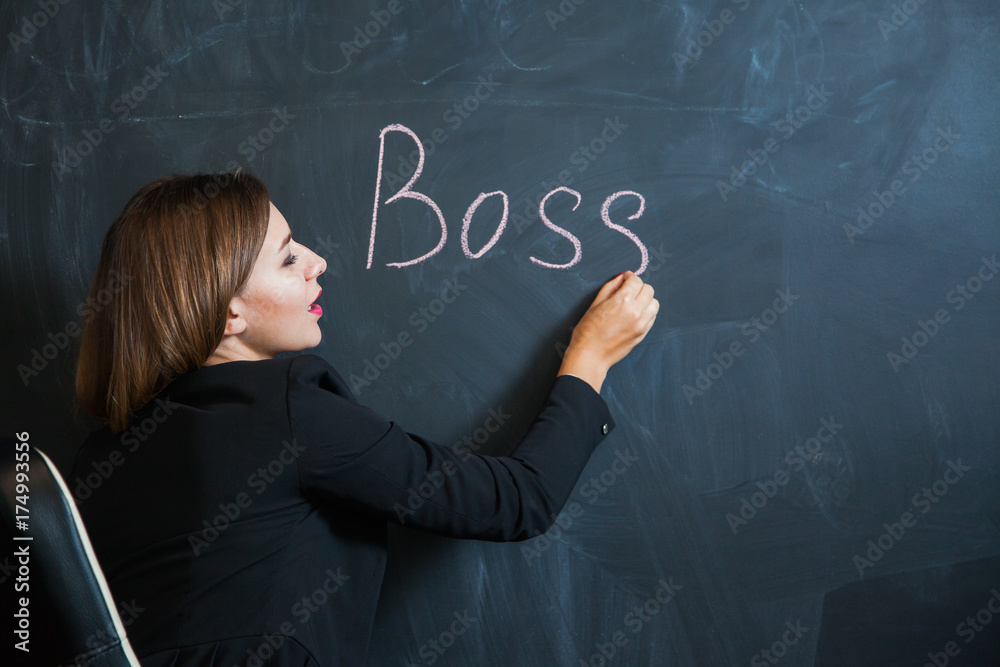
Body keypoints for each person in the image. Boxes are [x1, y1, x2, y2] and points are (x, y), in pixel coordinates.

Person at [71, 172, 658, 666]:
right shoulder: (285, 411)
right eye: (289, 257)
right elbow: (516, 499)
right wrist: (590, 357)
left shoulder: (99, 459)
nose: (318, 263)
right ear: (229, 311)